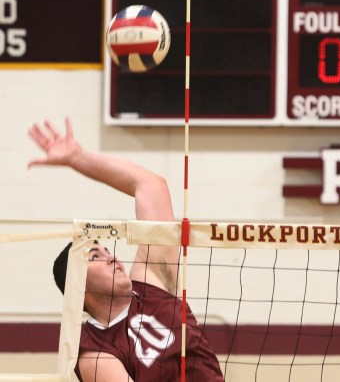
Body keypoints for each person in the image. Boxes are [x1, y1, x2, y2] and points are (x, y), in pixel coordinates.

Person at [28, 118, 224, 381]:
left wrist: (78, 158)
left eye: (107, 250)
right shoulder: (94, 353)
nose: (110, 257)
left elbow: (151, 186)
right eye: (95, 256)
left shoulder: (152, 285)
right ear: (78, 284)